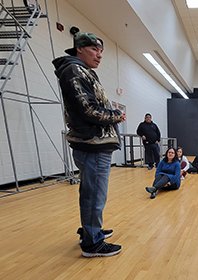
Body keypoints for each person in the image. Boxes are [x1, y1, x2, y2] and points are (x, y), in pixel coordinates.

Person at [52, 32, 126, 257]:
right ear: (79, 49)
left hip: (96, 143)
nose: (99, 55)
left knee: (93, 193)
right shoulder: (74, 71)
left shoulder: (84, 72)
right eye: (94, 49)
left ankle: (92, 231)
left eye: (101, 50)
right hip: (92, 144)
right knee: (94, 194)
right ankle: (92, 243)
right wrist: (115, 115)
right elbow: (88, 109)